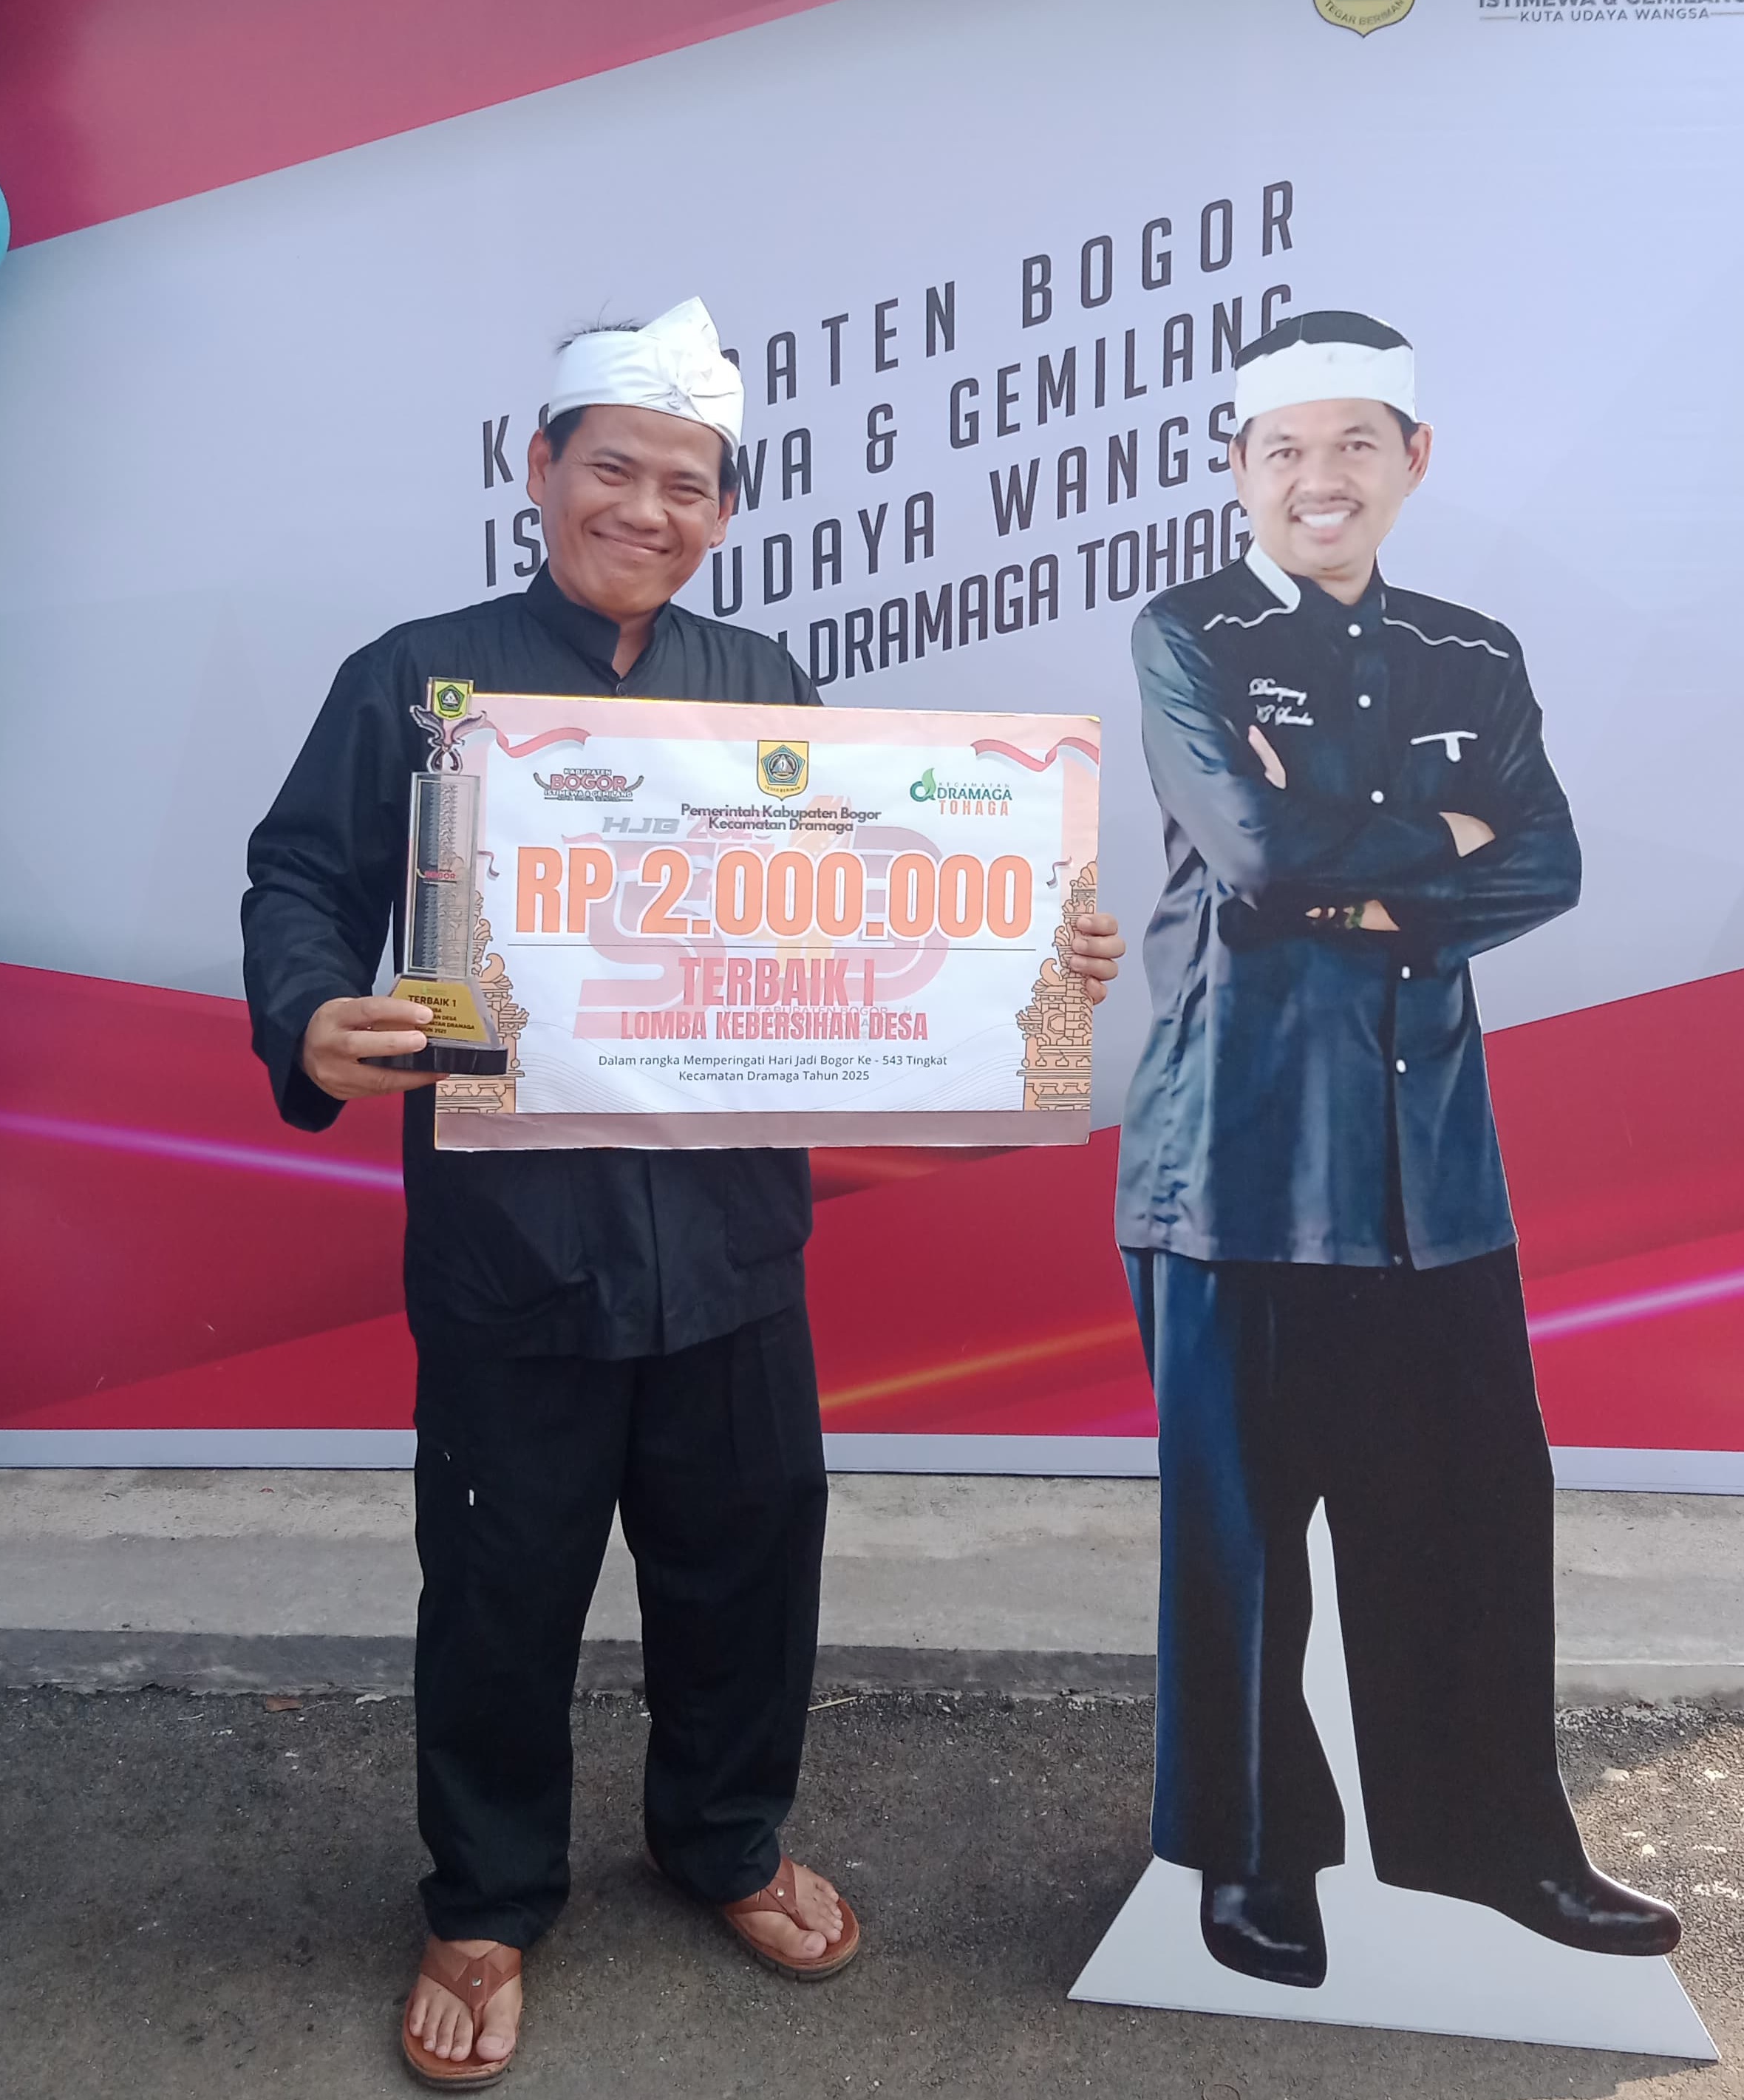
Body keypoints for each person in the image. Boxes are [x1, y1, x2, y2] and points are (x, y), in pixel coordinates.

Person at [242, 299, 1124, 2084]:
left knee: (747, 1562)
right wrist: (310, 1011)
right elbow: (301, 882)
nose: (647, 511)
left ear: (725, 509)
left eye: (689, 486)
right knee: (499, 1582)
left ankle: (724, 1837)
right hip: (514, 1239)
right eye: (615, 471)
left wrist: (1038, 942)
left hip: (731, 1238)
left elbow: (864, 905)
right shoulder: (420, 681)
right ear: (540, 468)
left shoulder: (766, 687)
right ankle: (487, 1896)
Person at [1115, 309, 1680, 1988]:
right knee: (1241, 1537)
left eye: (1357, 443)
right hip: (1234, 1159)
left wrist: (1350, 873)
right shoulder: (1189, 636)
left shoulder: (1470, 653)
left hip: (1430, 1172)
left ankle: (1496, 1842)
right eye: (1286, 448)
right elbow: (1255, 849)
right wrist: (1437, 840)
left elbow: (1550, 861)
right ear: (1238, 468)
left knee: (1471, 1513)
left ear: (1413, 460)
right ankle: (1254, 1856)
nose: (1322, 478)